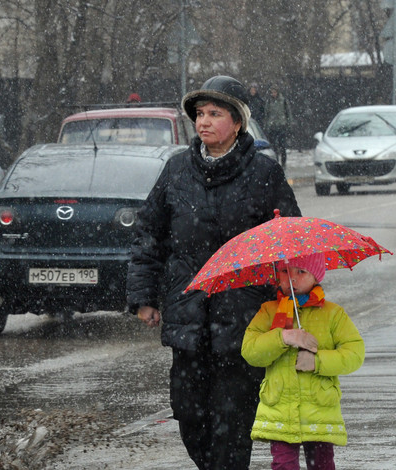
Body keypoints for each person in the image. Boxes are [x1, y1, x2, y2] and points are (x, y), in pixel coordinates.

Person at [127, 75, 301, 469]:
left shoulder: (264, 173)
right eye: (199, 114)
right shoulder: (176, 171)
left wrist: (282, 291)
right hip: (187, 316)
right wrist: (143, 298)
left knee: (233, 424)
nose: (203, 122)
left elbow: (289, 239)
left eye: (215, 113)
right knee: (190, 418)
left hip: (243, 323)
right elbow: (148, 237)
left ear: (237, 122)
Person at [241, 253, 365, 470]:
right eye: (285, 272)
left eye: (301, 272)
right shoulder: (269, 312)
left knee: (322, 465)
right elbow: (250, 351)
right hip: (280, 407)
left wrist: (317, 362)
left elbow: (354, 354)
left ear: (316, 276)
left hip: (319, 408)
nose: (292, 279)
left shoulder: (333, 314)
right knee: (283, 465)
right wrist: (284, 337)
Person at [265, 85, 293, 167]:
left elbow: (288, 113)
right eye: (272, 92)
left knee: (282, 146)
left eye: (275, 92)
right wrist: (267, 125)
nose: (273, 94)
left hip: (281, 126)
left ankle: (283, 163)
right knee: (274, 146)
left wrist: (289, 124)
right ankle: (276, 162)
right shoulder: (269, 102)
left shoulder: (283, 101)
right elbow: (267, 114)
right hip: (272, 126)